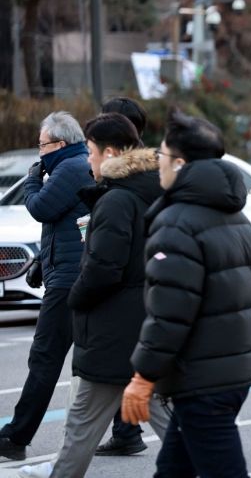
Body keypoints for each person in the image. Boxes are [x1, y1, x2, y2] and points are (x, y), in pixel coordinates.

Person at [121, 109, 251, 477]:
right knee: (173, 470)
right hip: (229, 375)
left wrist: (142, 377)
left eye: (161, 157)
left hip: (200, 379)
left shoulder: (176, 222)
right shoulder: (234, 215)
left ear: (180, 164)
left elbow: (170, 311)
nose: (157, 165)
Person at [18, 113, 169, 478]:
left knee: (79, 434)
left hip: (111, 329)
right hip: (141, 326)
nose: (88, 161)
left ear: (111, 151)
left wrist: (77, 298)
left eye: (90, 152)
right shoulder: (152, 190)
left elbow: (104, 267)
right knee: (173, 425)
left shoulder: (117, 200)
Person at [0, 112, 94, 460]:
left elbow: (40, 208)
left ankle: (16, 436)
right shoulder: (73, 165)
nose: (40, 153)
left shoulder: (69, 168)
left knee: (45, 357)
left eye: (42, 145)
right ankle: (126, 429)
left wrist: (32, 179)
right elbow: (62, 223)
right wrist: (42, 260)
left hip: (68, 281)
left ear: (60, 143)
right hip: (71, 273)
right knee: (92, 356)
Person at [94, 96, 151, 457]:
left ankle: (128, 431)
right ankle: (128, 430)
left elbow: (111, 249)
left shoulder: (125, 177)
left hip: (129, 281)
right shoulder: (149, 169)